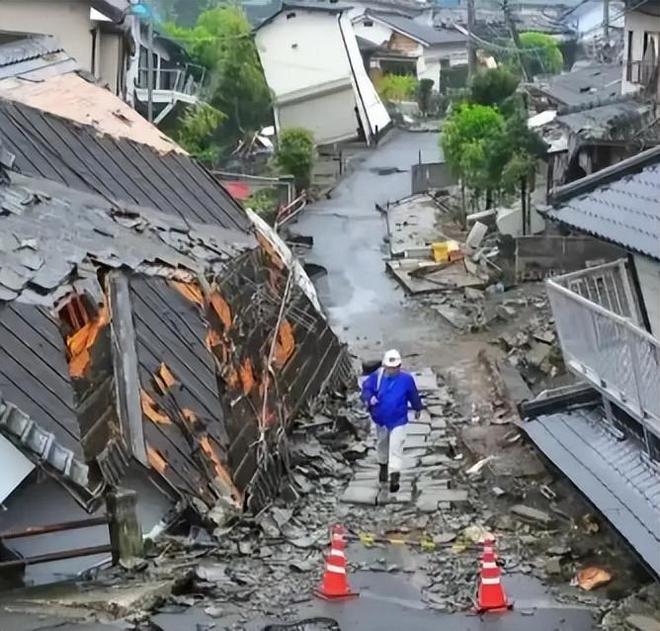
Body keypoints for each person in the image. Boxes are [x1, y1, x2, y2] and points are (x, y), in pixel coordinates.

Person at [361, 349, 423, 493]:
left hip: (398, 419)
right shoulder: (377, 377)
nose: (393, 370)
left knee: (396, 447)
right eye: (390, 367)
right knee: (383, 443)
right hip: (381, 419)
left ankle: (394, 476)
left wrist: (417, 407)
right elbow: (366, 390)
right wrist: (370, 398)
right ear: (385, 366)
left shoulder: (406, 380)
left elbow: (413, 394)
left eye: (395, 367)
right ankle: (383, 466)